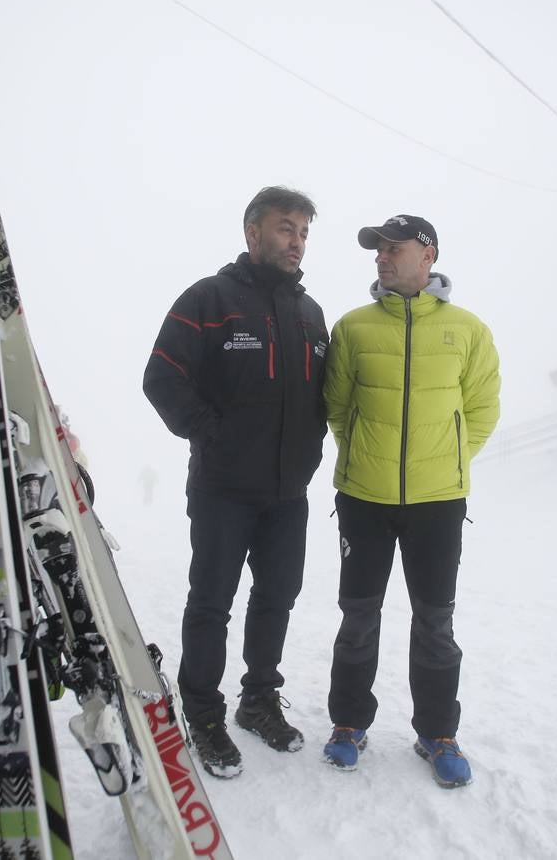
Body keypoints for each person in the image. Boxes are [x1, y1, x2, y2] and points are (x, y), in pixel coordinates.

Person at [142, 186, 329, 778]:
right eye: (284, 228)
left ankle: (257, 702)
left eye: (302, 231)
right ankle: (201, 710)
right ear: (252, 233)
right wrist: (210, 433)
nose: (295, 241)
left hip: (287, 494)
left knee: (277, 599)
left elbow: (324, 394)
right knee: (211, 604)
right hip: (223, 489)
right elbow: (161, 377)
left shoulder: (310, 314)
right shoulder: (209, 299)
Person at [320, 213, 500, 788]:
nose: (381, 257)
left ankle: (438, 732)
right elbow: (337, 409)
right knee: (358, 618)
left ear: (428, 255)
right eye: (377, 250)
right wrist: (368, 457)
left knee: (436, 623)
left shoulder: (467, 330)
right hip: (364, 500)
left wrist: (444, 461)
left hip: (437, 503)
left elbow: (481, 410)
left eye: (393, 248)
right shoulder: (352, 327)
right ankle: (348, 724)